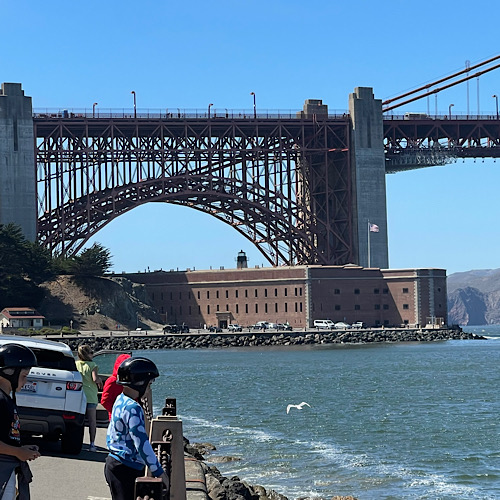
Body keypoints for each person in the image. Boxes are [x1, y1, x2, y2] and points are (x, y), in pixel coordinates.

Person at [104, 357, 169, 500]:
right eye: (149, 384)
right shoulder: (133, 408)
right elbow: (141, 443)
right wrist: (158, 471)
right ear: (140, 383)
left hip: (114, 463)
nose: (149, 389)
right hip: (125, 468)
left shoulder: (120, 400)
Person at [0, 343, 41, 500]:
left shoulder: (7, 399)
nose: (26, 381)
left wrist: (21, 448)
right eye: (24, 376)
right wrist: (18, 452)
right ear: (9, 372)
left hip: (7, 469)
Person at [76, 344, 102, 452]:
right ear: (88, 355)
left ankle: (78, 442)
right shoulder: (93, 365)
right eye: (91, 352)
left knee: (79, 421)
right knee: (92, 421)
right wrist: (100, 380)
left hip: (78, 395)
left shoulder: (75, 364)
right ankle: (92, 444)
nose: (93, 354)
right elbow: (95, 379)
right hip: (90, 396)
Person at [100, 353, 131, 419]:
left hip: (129, 415)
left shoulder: (131, 380)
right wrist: (115, 411)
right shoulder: (112, 381)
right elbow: (105, 401)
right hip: (116, 417)